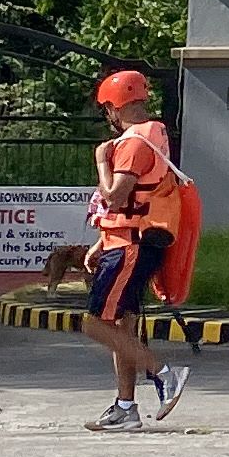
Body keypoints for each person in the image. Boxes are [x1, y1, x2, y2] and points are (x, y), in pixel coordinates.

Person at [80, 69, 193, 432]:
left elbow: (114, 195)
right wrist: (101, 241)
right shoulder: (156, 134)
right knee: (123, 327)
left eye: (107, 109)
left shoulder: (131, 143)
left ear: (114, 107)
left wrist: (101, 159)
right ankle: (125, 406)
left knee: (95, 323)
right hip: (129, 240)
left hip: (129, 246)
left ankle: (164, 374)